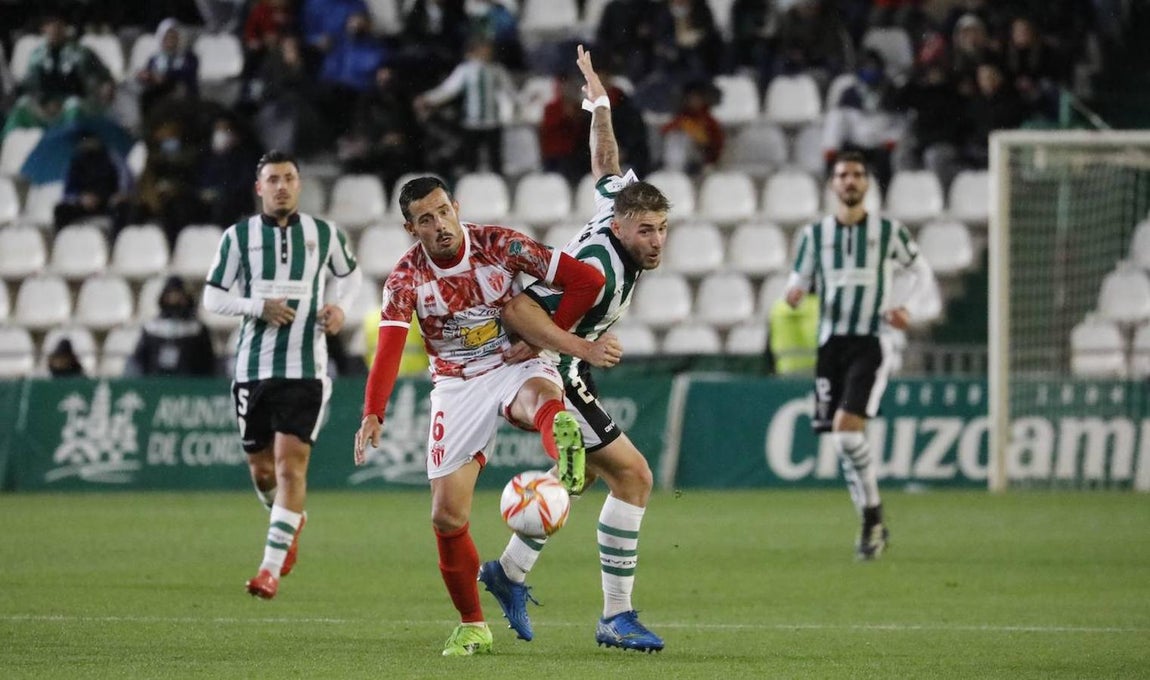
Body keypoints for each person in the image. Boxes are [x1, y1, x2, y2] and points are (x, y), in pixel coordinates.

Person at [352, 175, 615, 657]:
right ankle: (473, 625)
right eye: (425, 220)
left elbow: (588, 281)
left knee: (536, 398)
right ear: (412, 229)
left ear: (456, 206)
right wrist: (373, 411)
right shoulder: (405, 277)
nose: (439, 226)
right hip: (455, 382)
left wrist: (539, 337)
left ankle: (564, 448)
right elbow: (388, 347)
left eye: (443, 212)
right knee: (446, 516)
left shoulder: (500, 244)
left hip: (514, 358)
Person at [481, 45, 668, 653]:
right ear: (620, 228)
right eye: (647, 231)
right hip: (553, 371)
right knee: (634, 478)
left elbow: (606, 163)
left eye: (662, 229)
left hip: (564, 367)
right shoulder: (595, 266)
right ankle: (615, 616)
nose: (657, 241)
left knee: (596, 479)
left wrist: (600, 102)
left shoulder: (616, 205)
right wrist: (554, 351)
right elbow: (524, 304)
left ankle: (508, 573)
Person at [203, 150, 363, 599]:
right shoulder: (238, 238)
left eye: (289, 178)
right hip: (252, 369)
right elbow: (213, 298)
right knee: (262, 472)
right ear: (259, 188)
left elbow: (350, 277)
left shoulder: (324, 234)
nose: (281, 186)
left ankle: (268, 569)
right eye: (272, 179)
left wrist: (339, 308)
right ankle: (288, 522)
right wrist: (257, 306)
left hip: (305, 370)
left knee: (290, 467)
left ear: (299, 184)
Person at [783, 150, 933, 561]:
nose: (849, 181)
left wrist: (908, 308)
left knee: (848, 433)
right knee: (844, 439)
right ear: (833, 184)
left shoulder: (889, 232)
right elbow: (799, 276)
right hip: (830, 345)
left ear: (867, 184)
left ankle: (872, 518)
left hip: (872, 340)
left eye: (856, 175)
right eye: (842, 175)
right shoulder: (815, 236)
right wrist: (794, 291)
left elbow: (921, 272)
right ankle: (872, 519)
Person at [128, 275, 216, 376]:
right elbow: (140, 359)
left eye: (179, 294)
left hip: (188, 385)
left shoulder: (197, 329)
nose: (175, 298)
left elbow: (207, 362)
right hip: (156, 381)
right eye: (171, 295)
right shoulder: (152, 328)